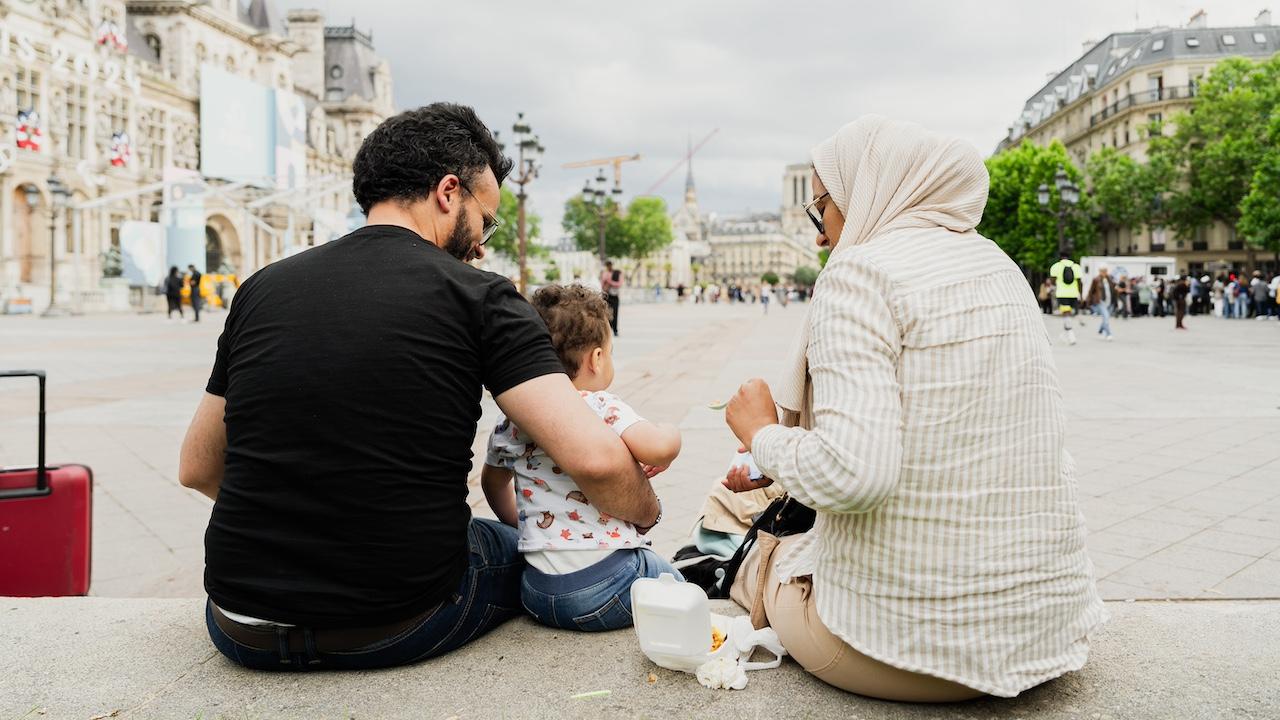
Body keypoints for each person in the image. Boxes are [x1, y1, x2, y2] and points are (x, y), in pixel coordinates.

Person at [178, 103, 660, 671]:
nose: (481, 244)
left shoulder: (262, 288)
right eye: (487, 219)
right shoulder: (480, 297)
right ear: (448, 192)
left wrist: (301, 526)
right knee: (545, 551)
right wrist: (644, 511)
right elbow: (597, 463)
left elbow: (198, 468)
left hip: (241, 623)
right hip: (401, 617)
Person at [717, 116, 1106, 702]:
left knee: (744, 518)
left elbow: (854, 476)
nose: (819, 235)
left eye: (819, 208)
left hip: (908, 652)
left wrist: (763, 434)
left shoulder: (861, 273)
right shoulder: (1000, 266)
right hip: (1044, 632)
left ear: (864, 192)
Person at [481, 285, 681, 632]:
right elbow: (659, 448)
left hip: (538, 590)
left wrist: (528, 528)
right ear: (597, 358)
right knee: (676, 585)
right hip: (607, 586)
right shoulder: (598, 405)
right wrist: (671, 430)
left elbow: (491, 483)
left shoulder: (510, 422)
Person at [1049, 252, 1083, 345]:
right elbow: (1080, 282)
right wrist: (1081, 294)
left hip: (1062, 294)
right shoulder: (1076, 266)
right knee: (1069, 313)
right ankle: (1065, 334)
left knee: (1066, 314)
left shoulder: (1056, 266)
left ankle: (1071, 335)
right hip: (1073, 294)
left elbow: (1052, 281)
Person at [1086, 266, 1115, 341]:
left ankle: (1100, 330)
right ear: (1099, 271)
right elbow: (1091, 291)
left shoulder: (1110, 279)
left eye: (1105, 270)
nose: (1104, 272)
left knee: (1106, 317)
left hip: (1110, 301)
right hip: (1101, 301)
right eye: (1102, 271)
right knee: (1106, 317)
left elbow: (1113, 289)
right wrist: (1088, 301)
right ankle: (1108, 334)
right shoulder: (1096, 279)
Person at [600, 261, 623, 335]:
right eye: (607, 265)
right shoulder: (604, 273)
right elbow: (602, 284)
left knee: (615, 313)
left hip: (615, 295)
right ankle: (608, 329)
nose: (609, 267)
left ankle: (615, 330)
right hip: (607, 295)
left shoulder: (618, 273)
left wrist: (610, 282)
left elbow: (619, 284)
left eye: (610, 265)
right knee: (607, 313)